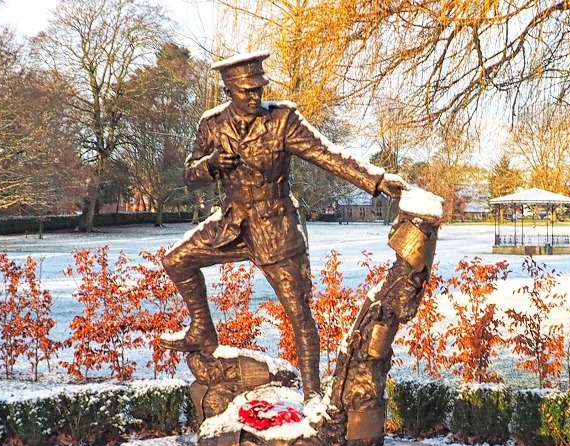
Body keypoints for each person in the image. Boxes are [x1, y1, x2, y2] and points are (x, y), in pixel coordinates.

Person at [160, 51, 408, 400]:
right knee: (176, 259)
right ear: (229, 90)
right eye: (246, 91)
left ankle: (312, 397)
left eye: (259, 88)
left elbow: (329, 155)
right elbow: (189, 174)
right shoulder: (212, 124)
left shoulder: (282, 121)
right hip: (232, 224)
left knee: (299, 315)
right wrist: (211, 164)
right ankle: (202, 330)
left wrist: (378, 180)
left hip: (276, 228)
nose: (255, 96)